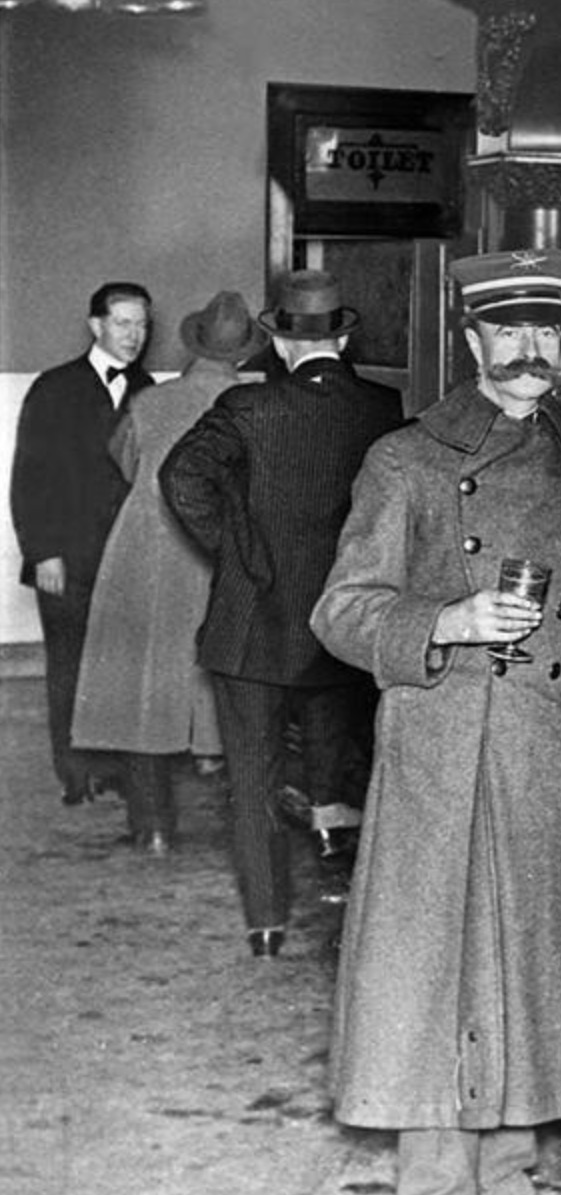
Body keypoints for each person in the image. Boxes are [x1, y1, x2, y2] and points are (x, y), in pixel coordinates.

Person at [311, 248, 561, 1195]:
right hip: (444, 741)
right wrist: (443, 622)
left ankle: (508, 1189)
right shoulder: (405, 459)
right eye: (507, 330)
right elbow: (343, 609)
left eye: (547, 329)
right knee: (436, 984)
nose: (528, 350)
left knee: (534, 974)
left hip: (550, 742)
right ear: (471, 340)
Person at [159, 270, 404, 958]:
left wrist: (234, 549)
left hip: (251, 625)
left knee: (254, 779)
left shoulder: (247, 408)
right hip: (343, 624)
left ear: (281, 342)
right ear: (345, 335)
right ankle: (354, 911)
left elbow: (180, 476)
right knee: (345, 768)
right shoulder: (383, 409)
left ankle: (265, 924)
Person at [70, 291, 266, 854]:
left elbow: (123, 459)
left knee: (142, 689)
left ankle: (152, 827)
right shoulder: (259, 402)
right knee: (226, 684)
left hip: (146, 551)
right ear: (243, 353)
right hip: (221, 548)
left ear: (195, 342)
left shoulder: (152, 401)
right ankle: (240, 835)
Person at [10, 281, 155, 806]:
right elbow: (28, 477)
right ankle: (74, 772)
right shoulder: (53, 388)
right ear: (96, 326)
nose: (135, 335)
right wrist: (42, 550)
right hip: (65, 558)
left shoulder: (149, 392)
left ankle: (114, 766)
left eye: (142, 324)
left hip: (125, 560)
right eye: (123, 323)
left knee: (118, 666)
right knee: (69, 666)